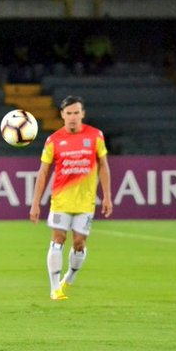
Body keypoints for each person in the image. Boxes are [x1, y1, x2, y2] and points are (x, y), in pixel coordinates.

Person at [29, 95, 113, 301]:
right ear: (62, 115)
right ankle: (55, 288)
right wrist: (35, 203)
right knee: (58, 239)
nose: (73, 117)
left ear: (82, 114)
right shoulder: (54, 140)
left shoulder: (95, 136)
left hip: (86, 201)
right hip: (61, 200)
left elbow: (103, 165)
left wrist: (108, 196)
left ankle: (70, 276)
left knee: (78, 243)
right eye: (69, 113)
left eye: (76, 113)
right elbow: (43, 172)